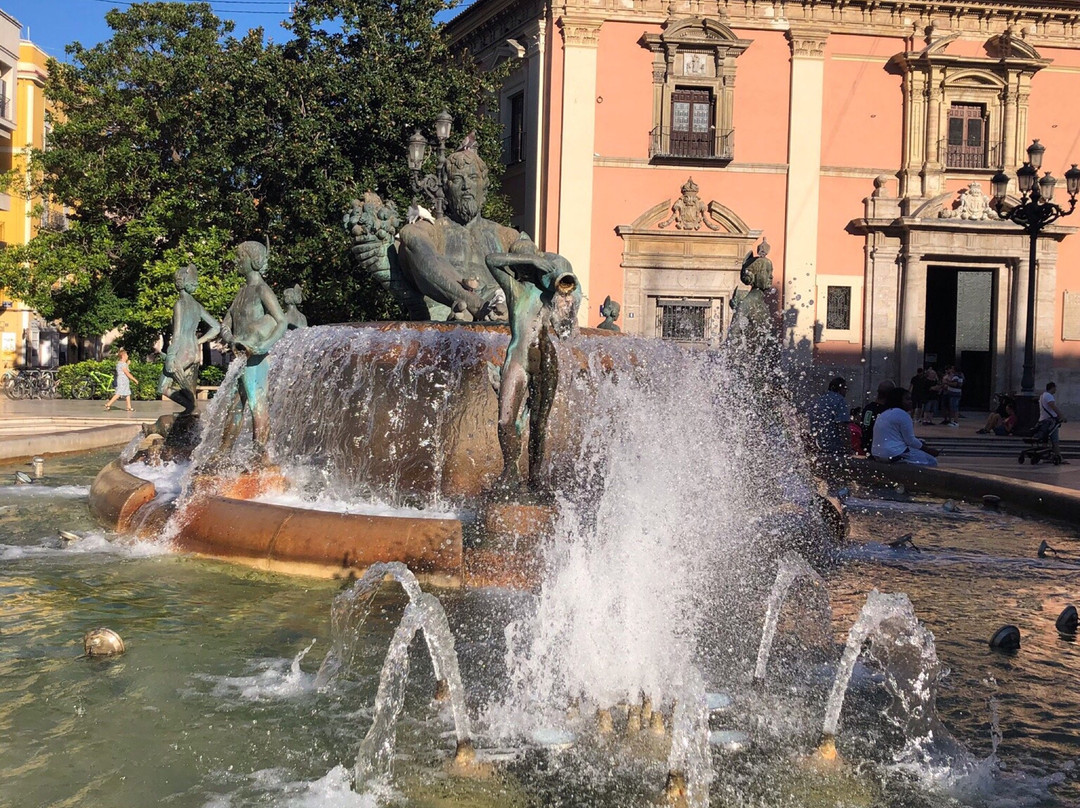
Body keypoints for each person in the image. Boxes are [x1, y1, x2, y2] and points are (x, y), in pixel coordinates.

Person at [355, 142, 530, 321]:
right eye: (457, 179)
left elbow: (534, 266)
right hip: (444, 323)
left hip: (499, 319)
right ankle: (475, 304)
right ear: (446, 189)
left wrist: (528, 250)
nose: (466, 186)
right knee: (411, 236)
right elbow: (411, 237)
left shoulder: (507, 235)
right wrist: (474, 303)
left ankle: (481, 308)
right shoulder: (434, 229)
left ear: (484, 188)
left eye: (472, 178)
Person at [218, 240, 289, 455]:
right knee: (235, 405)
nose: (237, 261)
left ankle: (261, 454)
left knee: (256, 403)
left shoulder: (262, 289)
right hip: (240, 355)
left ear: (253, 260)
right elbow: (226, 322)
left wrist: (262, 346)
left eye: (241, 257)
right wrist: (230, 338)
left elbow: (281, 321)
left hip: (256, 357)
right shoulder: (242, 292)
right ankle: (224, 451)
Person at [157, 264, 221, 416]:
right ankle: (191, 413)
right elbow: (216, 327)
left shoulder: (180, 304)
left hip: (181, 351)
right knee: (189, 387)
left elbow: (177, 334)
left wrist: (171, 356)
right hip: (193, 352)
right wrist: (198, 342)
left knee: (163, 387)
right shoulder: (197, 306)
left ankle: (191, 407)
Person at [871, 387, 940, 466]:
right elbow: (910, 440)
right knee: (932, 461)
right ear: (898, 400)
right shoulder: (903, 414)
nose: (910, 402)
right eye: (907, 399)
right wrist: (928, 450)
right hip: (893, 453)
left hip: (877, 453)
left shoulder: (884, 413)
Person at [807, 377, 851, 465]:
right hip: (835, 448)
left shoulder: (818, 400)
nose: (846, 391)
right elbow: (842, 425)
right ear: (840, 389)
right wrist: (848, 446)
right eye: (845, 389)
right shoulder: (840, 401)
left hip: (818, 446)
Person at [860, 379, 895, 452]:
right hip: (882, 448)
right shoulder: (888, 411)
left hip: (867, 446)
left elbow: (865, 427)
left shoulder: (868, 408)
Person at [1036, 381, 1066, 457]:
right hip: (1050, 421)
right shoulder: (1049, 396)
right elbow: (1053, 406)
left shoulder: (1042, 396)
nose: (1056, 390)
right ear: (1052, 388)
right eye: (1055, 388)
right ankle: (1059, 457)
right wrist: (1061, 416)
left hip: (1043, 420)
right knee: (1055, 440)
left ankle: (1045, 455)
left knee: (1045, 439)